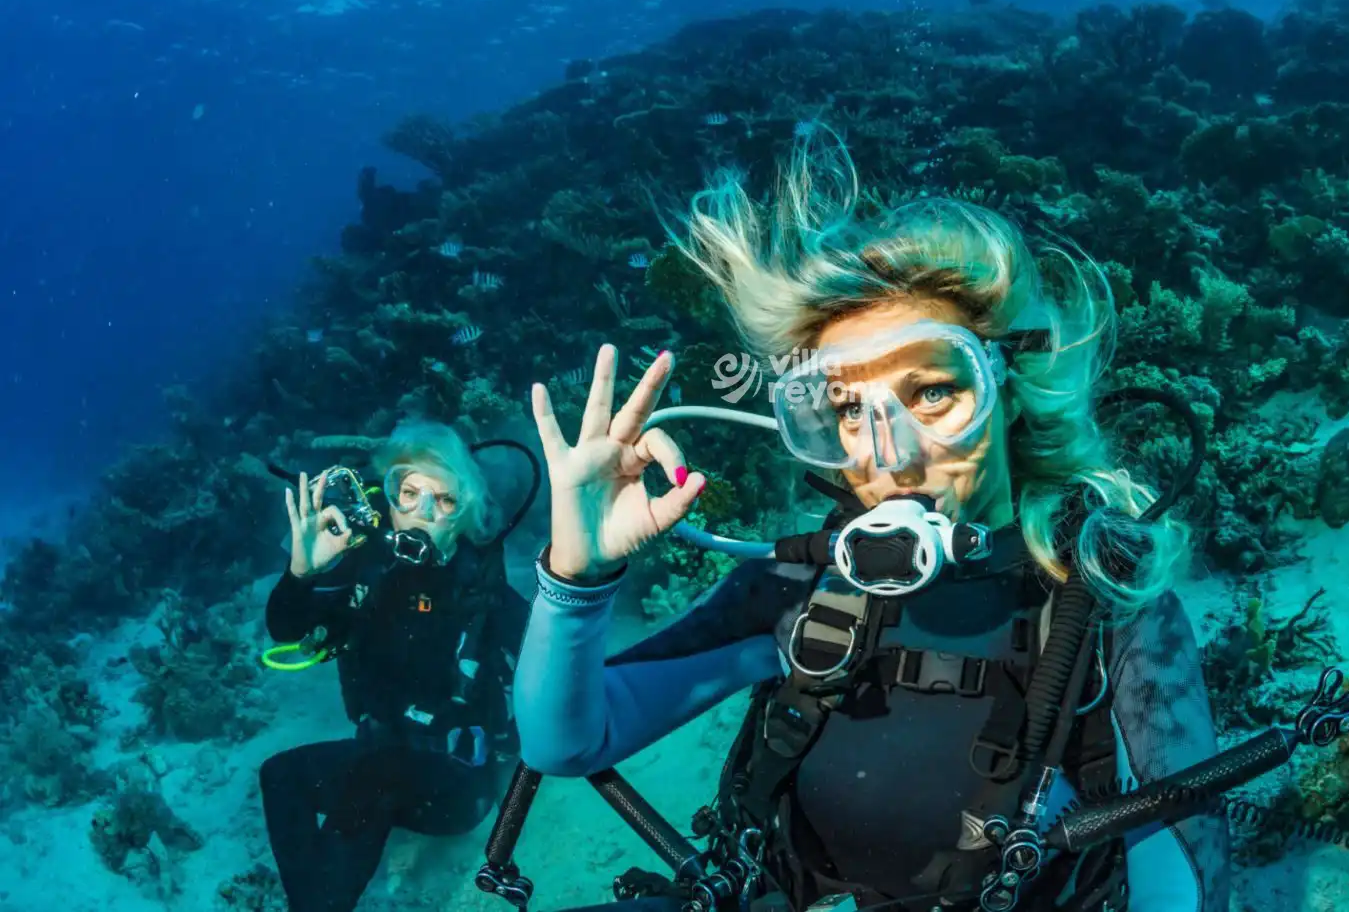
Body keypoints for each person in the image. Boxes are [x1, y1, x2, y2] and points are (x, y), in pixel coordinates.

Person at [515, 134, 1229, 912]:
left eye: (933, 393)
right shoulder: (797, 585)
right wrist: (576, 580)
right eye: (850, 409)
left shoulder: (1108, 605)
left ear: (1010, 388)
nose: (891, 456)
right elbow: (566, 743)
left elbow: (1185, 885)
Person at [259, 420, 533, 912]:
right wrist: (301, 574)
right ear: (388, 498)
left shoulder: (480, 591)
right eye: (409, 493)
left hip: (458, 786)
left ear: (465, 513)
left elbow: (551, 665)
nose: (422, 513)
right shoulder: (367, 568)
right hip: (379, 757)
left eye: (444, 500)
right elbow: (285, 628)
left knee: (376, 775)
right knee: (280, 775)